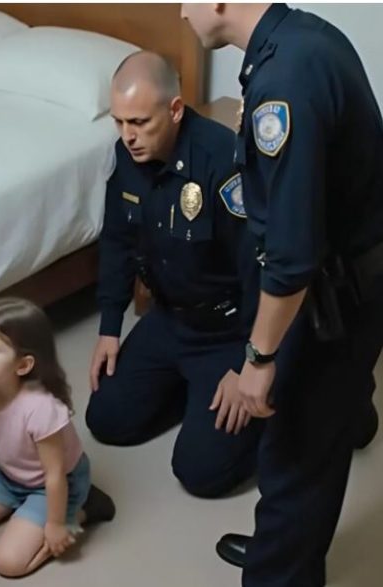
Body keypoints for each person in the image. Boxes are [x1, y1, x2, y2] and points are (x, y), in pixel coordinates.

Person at [181, 4, 383, 585]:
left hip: (338, 295)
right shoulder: (303, 39)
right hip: (353, 276)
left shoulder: (284, 82)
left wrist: (258, 358)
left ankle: (282, 570)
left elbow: (292, 257)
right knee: (316, 431)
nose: (180, 12)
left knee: (294, 452)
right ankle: (287, 542)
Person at [86, 51, 261, 498]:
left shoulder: (222, 161)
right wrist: (109, 326)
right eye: (119, 122)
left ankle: (273, 410)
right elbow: (118, 241)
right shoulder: (127, 156)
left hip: (226, 331)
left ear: (176, 109)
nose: (128, 136)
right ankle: (196, 396)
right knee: (105, 419)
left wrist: (247, 365)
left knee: (200, 471)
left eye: (140, 122)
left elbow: (258, 272)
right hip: (169, 319)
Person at [0, 298, 115, 578]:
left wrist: (56, 525)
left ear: (23, 365)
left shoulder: (40, 408)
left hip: (54, 484)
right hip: (11, 477)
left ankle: (83, 510)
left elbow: (54, 474)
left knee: (8, 563)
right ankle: (24, 513)